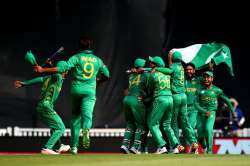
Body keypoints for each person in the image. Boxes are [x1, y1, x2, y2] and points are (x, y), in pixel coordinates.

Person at [34, 36, 110, 154]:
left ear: (79, 47)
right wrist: (98, 81)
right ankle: (86, 130)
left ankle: (74, 147)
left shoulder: (76, 57)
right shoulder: (98, 60)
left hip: (77, 90)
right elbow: (107, 74)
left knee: (75, 118)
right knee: (88, 116)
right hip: (90, 90)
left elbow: (61, 68)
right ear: (90, 46)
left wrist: (43, 70)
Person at [15, 61, 70, 155]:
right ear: (64, 70)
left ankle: (60, 146)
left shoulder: (49, 77)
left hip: (41, 106)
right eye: (66, 70)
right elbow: (57, 71)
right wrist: (43, 69)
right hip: (46, 105)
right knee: (61, 128)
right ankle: (47, 148)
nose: (67, 72)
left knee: (54, 127)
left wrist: (24, 83)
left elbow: (39, 79)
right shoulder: (58, 77)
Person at [195, 71, 234, 154]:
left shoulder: (217, 90)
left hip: (211, 113)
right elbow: (195, 104)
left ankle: (209, 151)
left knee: (208, 129)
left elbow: (227, 100)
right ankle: (204, 148)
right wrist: (203, 111)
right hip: (201, 114)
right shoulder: (199, 90)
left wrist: (233, 111)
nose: (206, 79)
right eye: (204, 77)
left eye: (208, 77)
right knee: (200, 136)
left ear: (212, 79)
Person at [147, 56, 180, 154]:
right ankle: (176, 146)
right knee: (166, 125)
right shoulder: (168, 74)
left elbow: (149, 89)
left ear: (156, 65)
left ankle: (162, 146)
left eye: (152, 63)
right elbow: (170, 71)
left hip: (160, 99)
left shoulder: (153, 75)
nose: (150, 64)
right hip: (170, 99)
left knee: (152, 124)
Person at [167, 51, 198, 153]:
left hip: (176, 96)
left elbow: (166, 70)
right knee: (185, 121)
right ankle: (194, 142)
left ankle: (177, 146)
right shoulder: (181, 67)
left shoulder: (173, 67)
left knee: (174, 122)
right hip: (183, 96)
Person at [120, 58, 149, 154]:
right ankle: (135, 147)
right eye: (144, 65)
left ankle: (125, 145)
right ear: (141, 66)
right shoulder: (145, 75)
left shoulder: (131, 75)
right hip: (136, 100)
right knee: (141, 124)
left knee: (130, 123)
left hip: (127, 99)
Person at [184, 63, 202, 152]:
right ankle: (193, 148)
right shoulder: (182, 80)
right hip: (184, 108)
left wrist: (210, 69)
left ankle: (194, 144)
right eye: (187, 69)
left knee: (189, 126)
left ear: (194, 70)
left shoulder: (199, 80)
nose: (188, 71)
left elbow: (209, 78)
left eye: (190, 69)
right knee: (186, 129)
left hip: (194, 108)